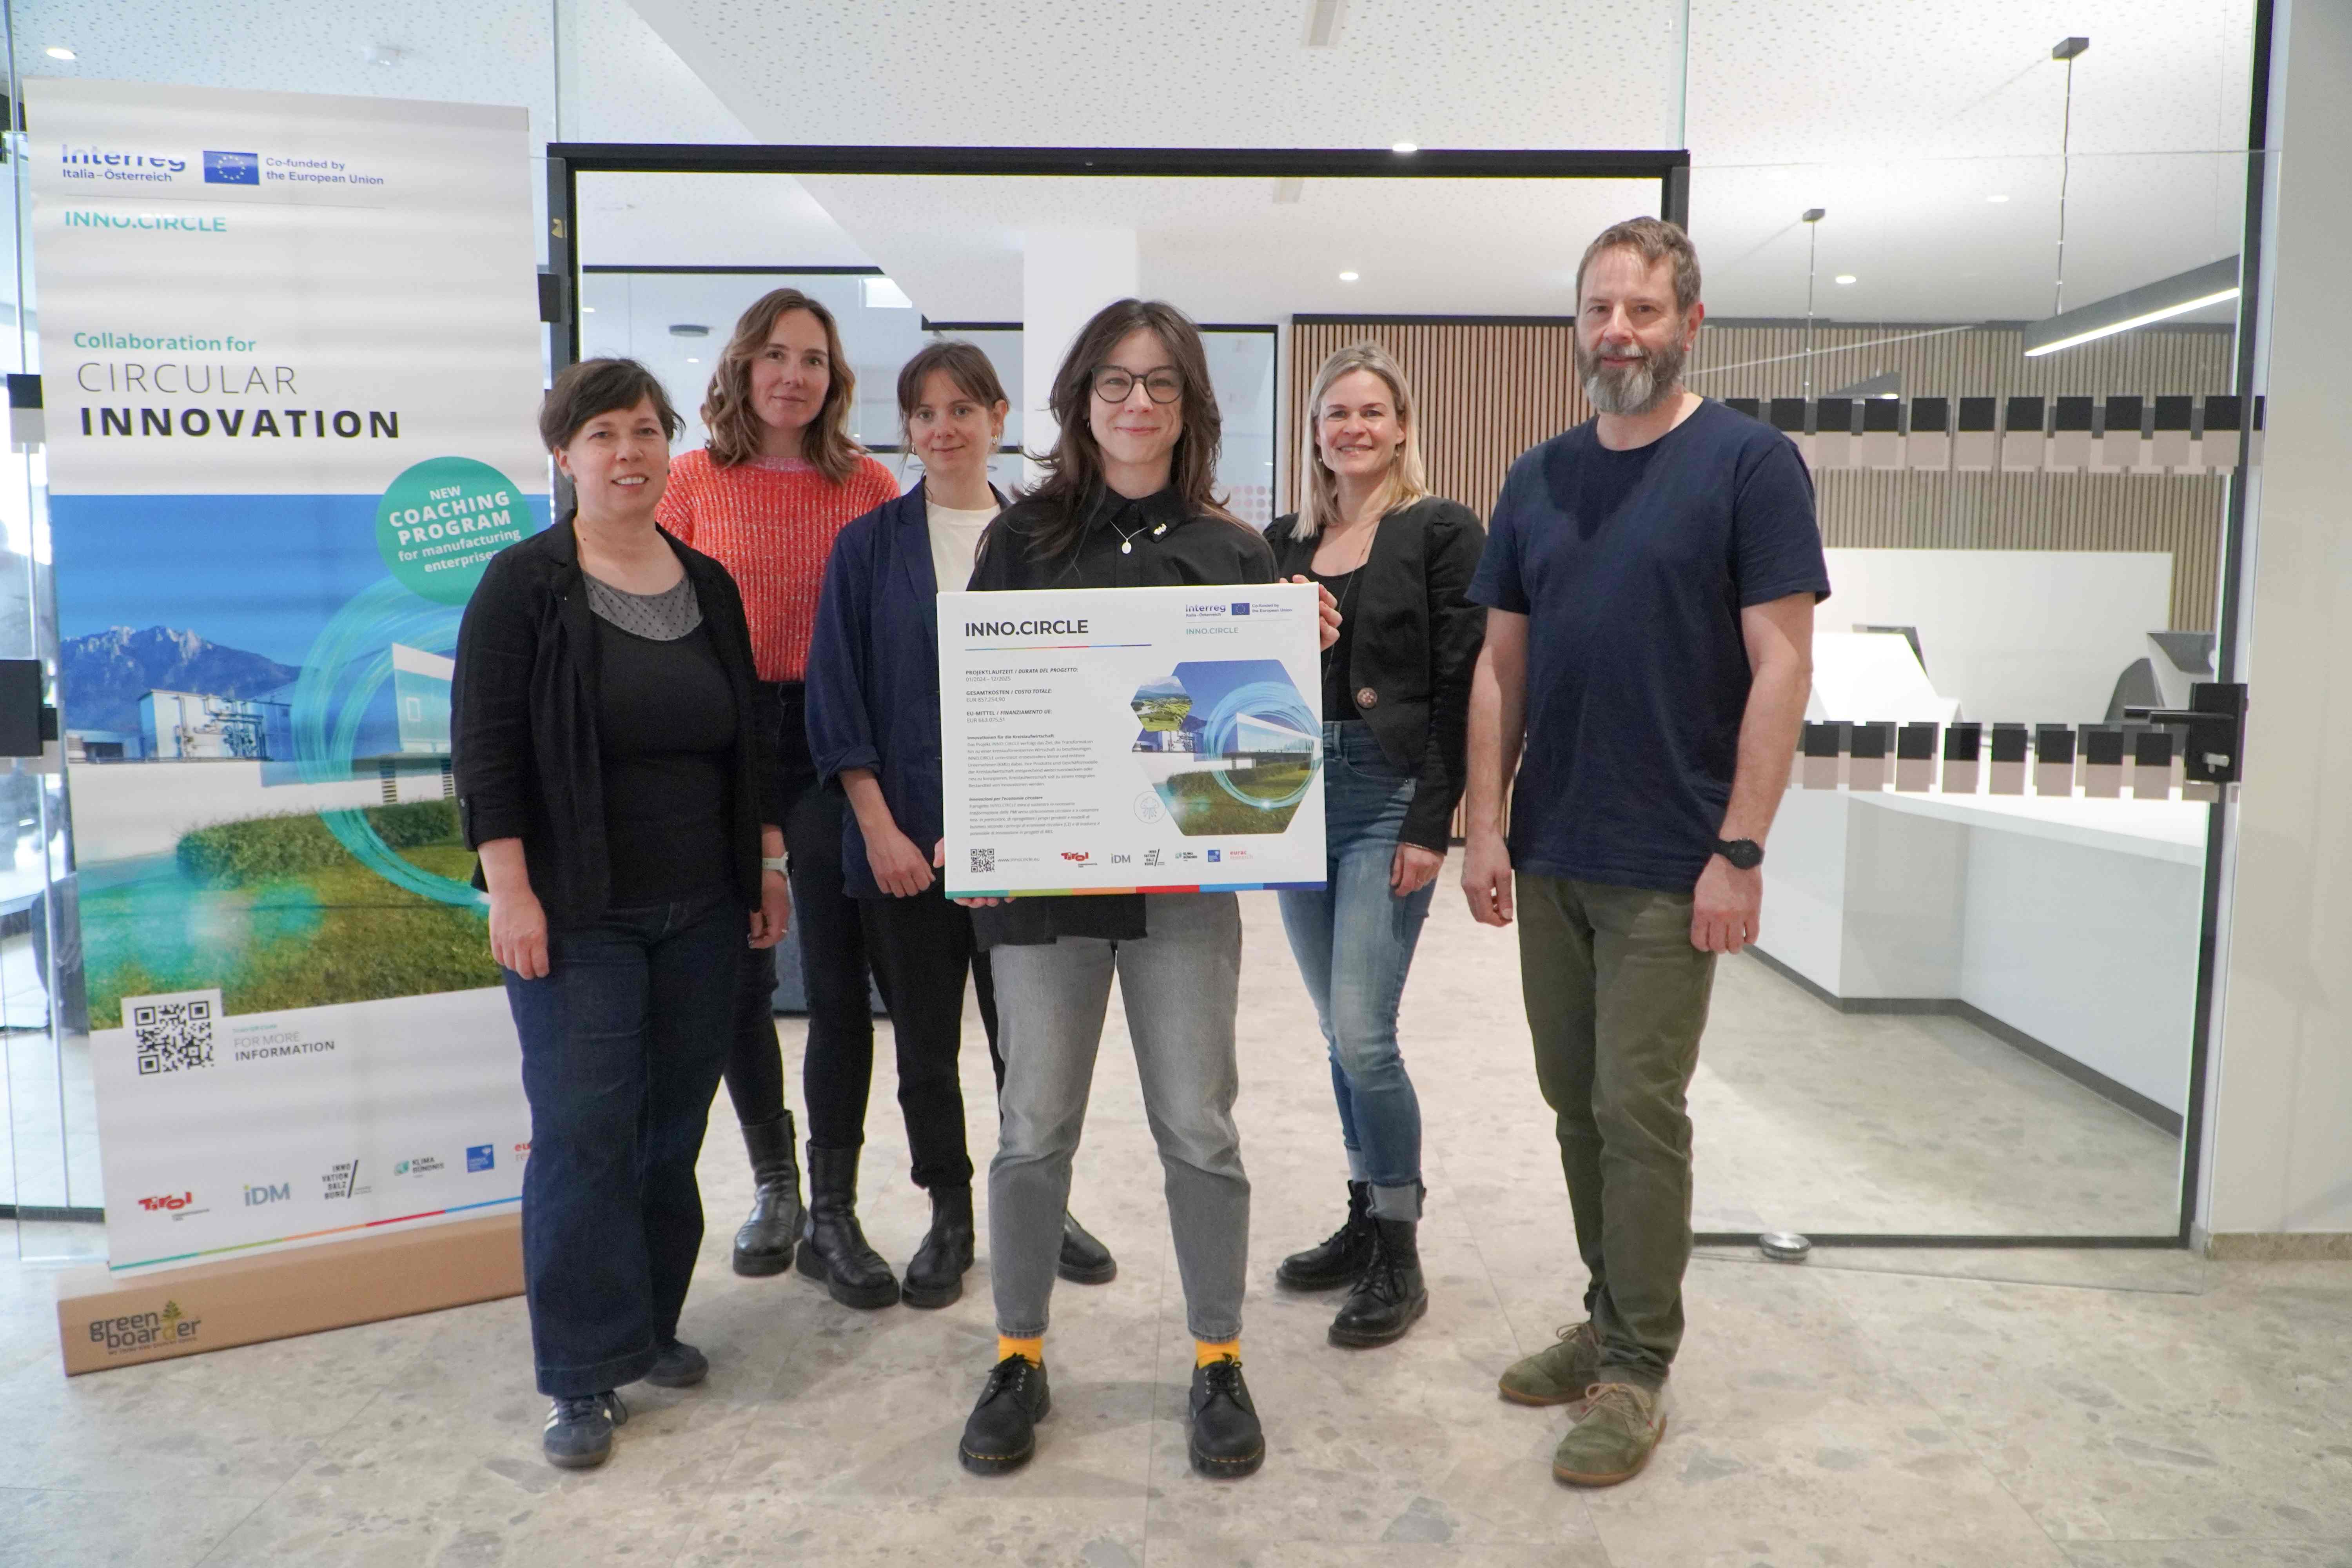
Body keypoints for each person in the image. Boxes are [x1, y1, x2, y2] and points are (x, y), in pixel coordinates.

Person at [1460, 218, 1825, 1487]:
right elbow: (1499, 668)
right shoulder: (1537, 477)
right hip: (1553, 848)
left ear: (1690, 325)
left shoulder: (1750, 465)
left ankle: (1637, 1367)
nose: (1618, 330)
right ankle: (1605, 1312)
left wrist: (1743, 847)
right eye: (1599, 308)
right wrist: (1487, 823)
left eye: (1644, 310)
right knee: (1575, 1102)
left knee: (1636, 1107)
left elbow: (1783, 664)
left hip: (1674, 859)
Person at [951, 299, 1338, 1482]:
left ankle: (1217, 1356)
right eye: (1115, 381)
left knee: (1198, 1126)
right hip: (1046, 892)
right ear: (1081, 398)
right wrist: (982, 830)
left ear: (1191, 405)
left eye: (1161, 383)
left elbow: (1260, 744)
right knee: (1032, 1128)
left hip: (1184, 889)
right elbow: (981, 704)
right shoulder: (1020, 543)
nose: (1137, 402)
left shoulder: (1235, 551)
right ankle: (1019, 1352)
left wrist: (1300, 644)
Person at [452, 357, 792, 1470]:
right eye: (602, 434)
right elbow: (487, 752)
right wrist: (510, 890)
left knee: (670, 1128)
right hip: (577, 911)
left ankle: (646, 1323)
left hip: (704, 908)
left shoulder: (709, 583)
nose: (628, 452)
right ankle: (580, 1371)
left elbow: (748, 743)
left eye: (645, 430)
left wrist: (766, 866)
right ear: (565, 455)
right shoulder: (524, 584)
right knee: (585, 1133)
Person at [802, 338, 1117, 1309]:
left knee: (1031, 1041)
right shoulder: (866, 547)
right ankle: (950, 1211)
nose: (944, 429)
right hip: (902, 845)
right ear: (907, 429)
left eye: (963, 410)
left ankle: (1040, 1198)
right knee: (926, 1046)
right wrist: (880, 831)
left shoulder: (1047, 539)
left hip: (1025, 843)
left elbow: (1082, 686)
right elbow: (837, 699)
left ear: (998, 418)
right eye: (925, 413)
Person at [655, 288, 900, 1303]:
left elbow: (899, 622)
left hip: (835, 733)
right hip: (721, 736)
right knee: (741, 973)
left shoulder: (869, 482)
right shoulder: (690, 481)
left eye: (814, 359)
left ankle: (836, 1211)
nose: (794, 376)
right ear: (743, 367)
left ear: (834, 378)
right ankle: (776, 1185)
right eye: (776, 356)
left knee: (838, 976)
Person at [1265, 343, 1485, 1349]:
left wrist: (1434, 824)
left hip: (1384, 795)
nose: (1352, 427)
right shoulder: (1281, 541)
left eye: (1371, 412)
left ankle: (1399, 1246)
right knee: (1334, 1030)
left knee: (1364, 1032)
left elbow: (1460, 686)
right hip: (1288, 795)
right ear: (1315, 433)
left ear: (1401, 430)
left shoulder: (1440, 530)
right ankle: (1363, 1215)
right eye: (1335, 413)